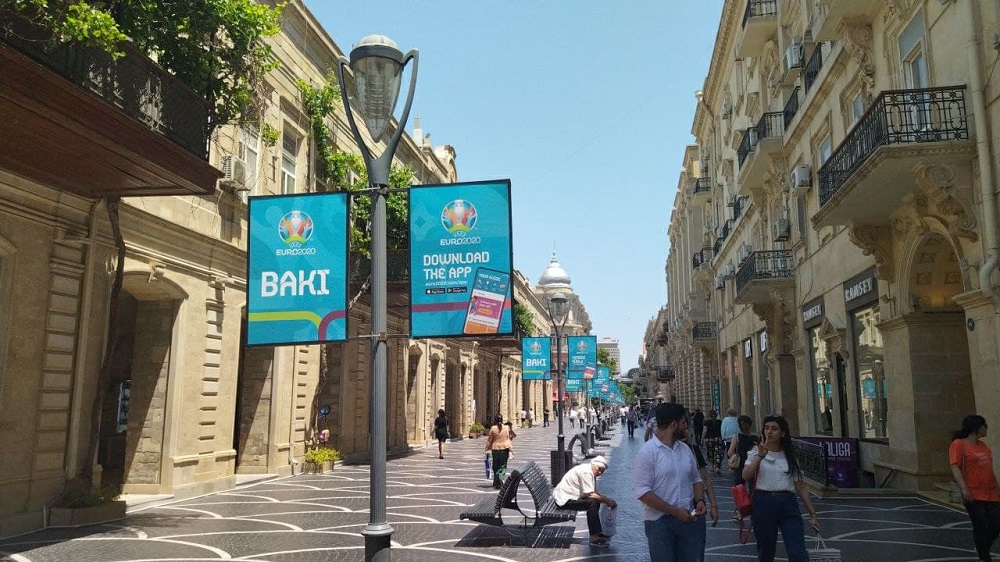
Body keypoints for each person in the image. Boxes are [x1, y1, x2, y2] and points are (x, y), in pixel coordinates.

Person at [634, 402, 706, 561]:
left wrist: (700, 500)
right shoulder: (647, 452)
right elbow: (643, 493)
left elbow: (696, 478)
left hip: (688, 519)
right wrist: (675, 512)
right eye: (683, 423)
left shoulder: (685, 449)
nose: (686, 427)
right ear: (673, 425)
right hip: (659, 524)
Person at [741, 414, 819, 562]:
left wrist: (812, 514)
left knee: (798, 553)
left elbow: (800, 486)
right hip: (764, 503)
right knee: (766, 552)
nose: (769, 432)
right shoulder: (755, 451)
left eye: (774, 429)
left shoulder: (789, 455)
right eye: (766, 428)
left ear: (782, 433)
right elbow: (745, 475)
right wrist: (760, 456)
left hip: (788, 503)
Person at [950, 414, 1000, 562]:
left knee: (996, 524)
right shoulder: (959, 444)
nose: (986, 429)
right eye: (984, 426)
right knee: (980, 525)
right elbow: (955, 467)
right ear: (976, 428)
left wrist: (997, 486)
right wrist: (964, 488)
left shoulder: (982, 445)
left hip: (991, 492)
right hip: (973, 493)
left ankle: (981, 547)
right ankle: (985, 557)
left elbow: (989, 468)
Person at [552, 455, 617, 548]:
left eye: (602, 471)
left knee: (595, 501)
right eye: (598, 469)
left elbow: (594, 493)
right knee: (592, 503)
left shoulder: (591, 470)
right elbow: (590, 494)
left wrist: (605, 499)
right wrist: (607, 501)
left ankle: (597, 532)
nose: (599, 472)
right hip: (564, 500)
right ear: (594, 465)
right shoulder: (587, 472)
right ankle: (593, 537)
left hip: (570, 497)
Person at [728, 415, 759, 485]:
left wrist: (735, 456)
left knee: (739, 486)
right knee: (753, 484)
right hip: (752, 462)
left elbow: (730, 452)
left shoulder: (736, 436)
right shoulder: (755, 437)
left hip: (741, 462)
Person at [484, 415, 514, 489]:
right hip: (504, 448)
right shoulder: (506, 427)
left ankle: (496, 481)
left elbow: (489, 440)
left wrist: (486, 449)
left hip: (495, 449)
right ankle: (501, 477)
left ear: (495, 420)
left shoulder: (493, 428)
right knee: (503, 465)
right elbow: (511, 436)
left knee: (496, 466)